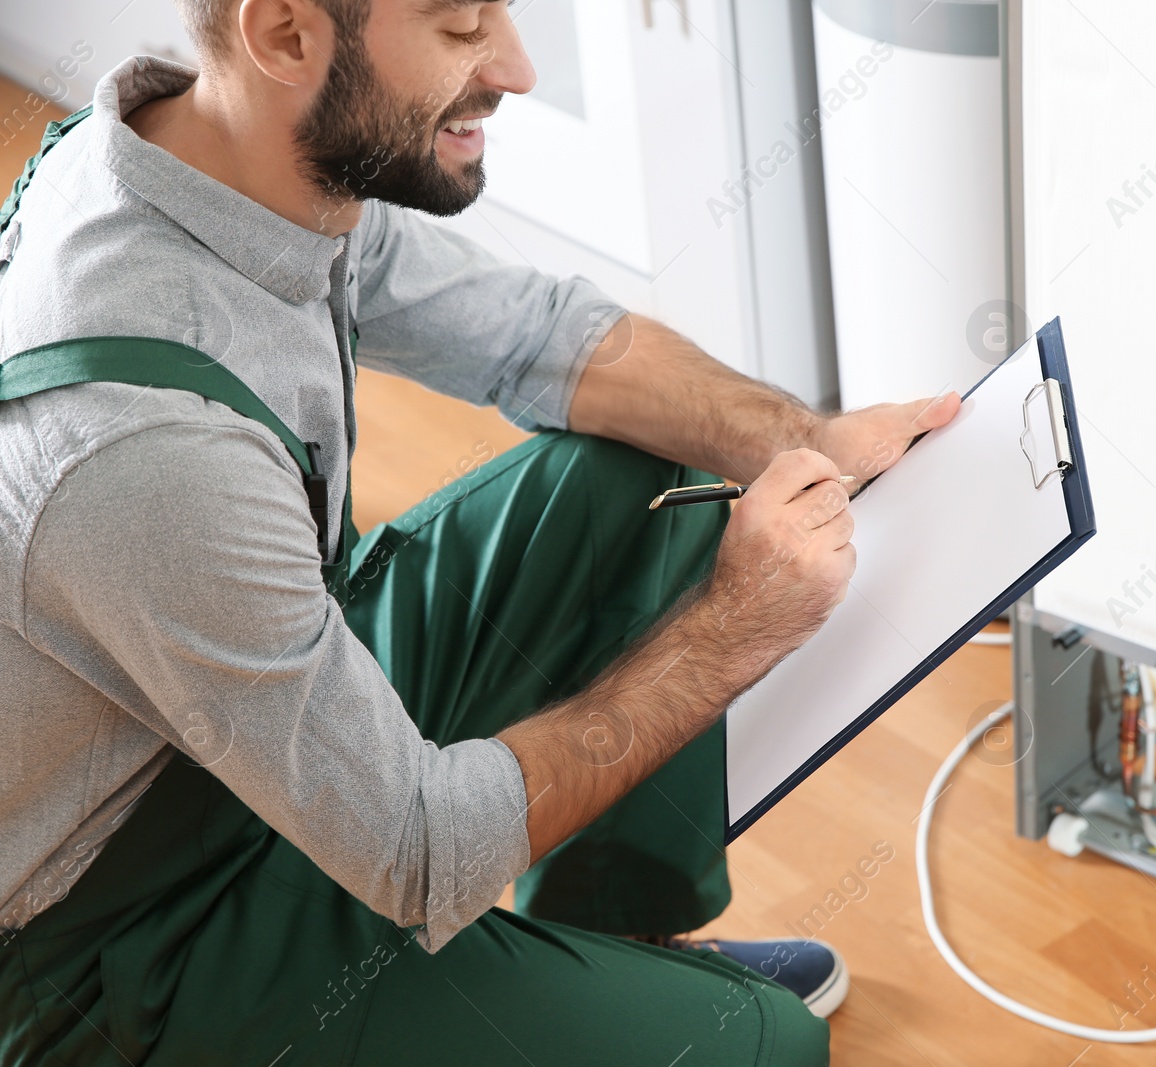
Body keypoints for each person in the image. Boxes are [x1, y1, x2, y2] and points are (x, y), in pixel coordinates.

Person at [0, 1, 960, 1063]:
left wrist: (807, 434)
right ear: (283, 36)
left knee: (643, 471)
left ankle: (617, 946)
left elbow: (549, 341)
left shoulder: (229, 164)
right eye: (460, 29)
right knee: (761, 1047)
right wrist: (736, 624)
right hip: (125, 950)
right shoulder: (143, 449)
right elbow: (421, 849)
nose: (516, 65)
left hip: (226, 742)